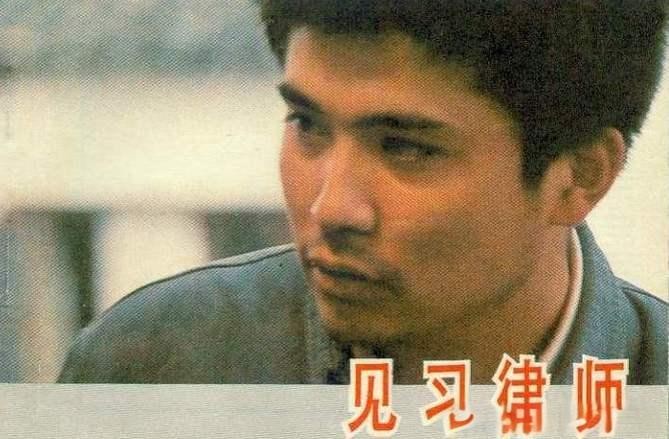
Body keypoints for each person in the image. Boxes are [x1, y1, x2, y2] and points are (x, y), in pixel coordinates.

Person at [59, 0, 667, 384]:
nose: (330, 208)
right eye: (306, 124)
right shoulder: (154, 365)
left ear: (579, 176)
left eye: (405, 147)